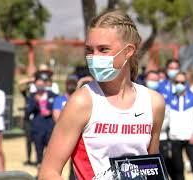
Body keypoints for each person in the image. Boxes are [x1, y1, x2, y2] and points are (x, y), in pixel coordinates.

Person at [39, 10, 165, 179]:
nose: (93, 57)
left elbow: (151, 169)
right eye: (90, 50)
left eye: (103, 49)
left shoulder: (153, 102)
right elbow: (48, 172)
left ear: (128, 51)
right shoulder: (82, 101)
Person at [167, 72, 193, 180]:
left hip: (191, 139)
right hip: (174, 139)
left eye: (182, 82)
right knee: (178, 170)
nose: (179, 84)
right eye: (177, 82)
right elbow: (165, 120)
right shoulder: (168, 99)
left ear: (187, 83)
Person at [26, 77, 57, 171]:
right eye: (37, 85)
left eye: (41, 84)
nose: (40, 87)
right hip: (37, 129)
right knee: (39, 152)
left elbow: (58, 108)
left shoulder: (53, 95)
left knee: (51, 152)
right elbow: (28, 112)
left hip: (50, 128)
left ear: (45, 84)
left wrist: (51, 111)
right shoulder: (32, 96)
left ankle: (50, 172)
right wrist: (36, 101)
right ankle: (40, 173)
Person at [52, 74, 78, 180]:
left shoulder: (80, 99)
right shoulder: (59, 99)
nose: (71, 85)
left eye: (73, 83)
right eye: (69, 83)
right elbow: (56, 117)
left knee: (74, 165)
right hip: (62, 136)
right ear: (66, 84)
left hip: (76, 137)